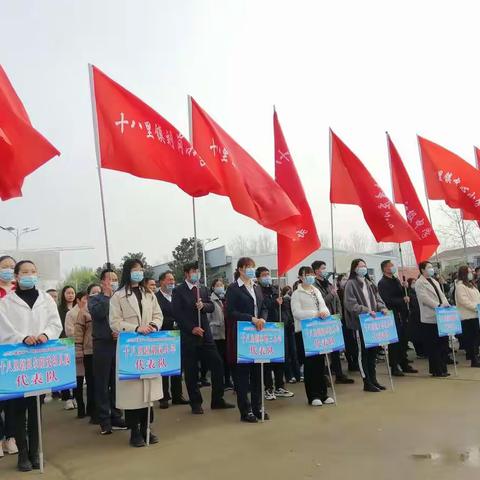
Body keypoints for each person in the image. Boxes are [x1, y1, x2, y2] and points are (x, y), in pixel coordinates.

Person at [0, 260, 62, 472]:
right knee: (18, 409)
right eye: (25, 272)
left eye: (33, 271)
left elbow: (55, 323)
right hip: (18, 360)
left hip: (41, 360)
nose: (29, 275)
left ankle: (36, 452)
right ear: (16, 276)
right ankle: (23, 454)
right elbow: (3, 329)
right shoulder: (6, 302)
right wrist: (23, 337)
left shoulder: (46, 299)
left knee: (37, 407)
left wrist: (46, 335)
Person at [109, 259, 163, 447]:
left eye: (141, 269)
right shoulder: (118, 296)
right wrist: (136, 328)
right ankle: (134, 432)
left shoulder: (149, 293)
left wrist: (154, 325)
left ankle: (147, 428)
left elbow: (158, 314)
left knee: (148, 391)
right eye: (135, 270)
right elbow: (114, 322)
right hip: (130, 347)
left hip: (148, 347)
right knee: (133, 393)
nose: (139, 273)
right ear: (127, 272)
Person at [172, 261, 234, 415]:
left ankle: (217, 400)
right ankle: (195, 402)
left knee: (218, 364)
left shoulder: (203, 289)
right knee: (192, 370)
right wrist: (191, 328)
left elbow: (211, 306)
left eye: (197, 271)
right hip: (189, 336)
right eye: (193, 271)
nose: (196, 274)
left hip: (206, 335)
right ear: (186, 273)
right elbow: (177, 314)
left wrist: (203, 306)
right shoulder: (178, 291)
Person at [225, 257, 269, 422]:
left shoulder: (256, 287)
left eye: (253, 267)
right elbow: (230, 312)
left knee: (258, 374)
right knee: (243, 376)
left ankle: (258, 407)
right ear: (240, 269)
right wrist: (251, 318)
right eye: (248, 267)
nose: (251, 270)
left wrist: (262, 318)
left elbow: (263, 306)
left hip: (258, 335)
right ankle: (246, 410)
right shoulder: (233, 288)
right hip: (242, 336)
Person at [90, 269, 127, 435]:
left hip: (118, 343)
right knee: (103, 384)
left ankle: (117, 415)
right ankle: (104, 419)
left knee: (117, 382)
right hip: (102, 345)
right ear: (102, 282)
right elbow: (98, 314)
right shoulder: (94, 300)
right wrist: (106, 296)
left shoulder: (121, 298)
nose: (113, 282)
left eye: (115, 279)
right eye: (110, 279)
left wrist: (121, 331)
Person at [291, 266, 335, 406]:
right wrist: (315, 314)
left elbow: (323, 307)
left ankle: (323, 394)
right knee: (310, 365)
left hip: (318, 331)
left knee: (320, 363)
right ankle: (313, 395)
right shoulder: (297, 294)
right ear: (300, 277)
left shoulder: (316, 290)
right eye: (306, 275)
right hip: (304, 332)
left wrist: (323, 312)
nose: (309, 277)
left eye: (310, 274)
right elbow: (297, 313)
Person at [344, 259, 389, 393]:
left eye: (365, 266)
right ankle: (366, 381)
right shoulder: (350, 284)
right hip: (360, 323)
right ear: (354, 268)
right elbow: (350, 304)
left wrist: (382, 308)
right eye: (360, 266)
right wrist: (366, 310)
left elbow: (377, 298)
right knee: (363, 353)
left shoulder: (369, 283)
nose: (363, 268)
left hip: (373, 324)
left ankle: (374, 379)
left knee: (372, 353)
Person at [312, 261, 354, 384]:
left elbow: (337, 301)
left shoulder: (329, 284)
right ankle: (324, 377)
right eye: (322, 268)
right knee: (323, 349)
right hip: (322, 321)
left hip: (333, 320)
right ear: (316, 271)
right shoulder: (314, 286)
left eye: (325, 268)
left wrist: (338, 316)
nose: (325, 270)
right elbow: (320, 303)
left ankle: (339, 374)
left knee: (335, 349)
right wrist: (331, 294)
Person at [255, 267, 294, 400]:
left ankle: (279, 386)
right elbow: (262, 306)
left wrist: (283, 302)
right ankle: (268, 388)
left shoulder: (275, 288)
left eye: (268, 274)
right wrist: (273, 302)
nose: (267, 277)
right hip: (266, 327)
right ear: (258, 278)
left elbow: (284, 305)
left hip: (278, 327)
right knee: (267, 360)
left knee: (280, 359)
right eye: (264, 275)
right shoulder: (257, 290)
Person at [377, 260, 418, 376]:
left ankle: (404, 363)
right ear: (385, 268)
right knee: (395, 341)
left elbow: (403, 294)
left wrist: (406, 288)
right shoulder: (383, 283)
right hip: (393, 314)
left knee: (404, 340)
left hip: (403, 313)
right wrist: (401, 300)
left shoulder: (396, 280)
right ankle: (394, 366)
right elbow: (387, 300)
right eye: (390, 266)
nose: (393, 267)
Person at [155, 271, 189, 409]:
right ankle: (163, 397)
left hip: (177, 336)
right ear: (161, 281)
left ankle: (177, 395)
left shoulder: (176, 295)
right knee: (164, 368)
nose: (172, 282)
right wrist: (171, 322)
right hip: (162, 336)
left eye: (173, 279)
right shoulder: (155, 298)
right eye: (169, 280)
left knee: (177, 367)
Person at [415, 261, 450, 377]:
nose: (431, 269)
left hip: (441, 316)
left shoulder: (434, 280)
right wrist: (438, 306)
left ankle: (443, 368)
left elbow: (442, 295)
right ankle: (436, 370)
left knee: (443, 344)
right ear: (422, 270)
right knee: (434, 345)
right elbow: (424, 298)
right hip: (429, 317)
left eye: (432, 267)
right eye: (429, 267)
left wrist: (445, 303)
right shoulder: (420, 283)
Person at [73, 284, 100, 420]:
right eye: (93, 292)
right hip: (89, 352)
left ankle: (102, 410)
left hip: (103, 350)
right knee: (91, 382)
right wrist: (79, 352)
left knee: (102, 383)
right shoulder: (83, 311)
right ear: (88, 295)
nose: (97, 294)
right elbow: (78, 334)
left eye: (98, 292)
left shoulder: (107, 307)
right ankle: (92, 411)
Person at [0, 255, 18, 458]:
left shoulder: (18, 292)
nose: (8, 270)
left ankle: (11, 436)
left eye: (12, 267)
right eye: (4, 267)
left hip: (15, 352)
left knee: (13, 398)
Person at [207, 278, 233, 390]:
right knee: (219, 361)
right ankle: (219, 383)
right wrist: (214, 325)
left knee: (227, 360)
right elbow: (208, 319)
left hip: (227, 333)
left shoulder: (226, 298)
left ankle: (228, 381)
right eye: (217, 285)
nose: (220, 287)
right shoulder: (210, 300)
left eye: (221, 284)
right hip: (216, 335)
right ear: (213, 287)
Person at [455, 266, 480, 367]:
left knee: (476, 338)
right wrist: (476, 307)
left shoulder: (471, 285)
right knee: (471, 339)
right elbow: (464, 301)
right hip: (468, 316)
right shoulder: (460, 286)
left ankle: (475, 356)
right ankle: (473, 359)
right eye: (469, 272)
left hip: (475, 315)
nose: (472, 273)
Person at [58, 285, 77, 410]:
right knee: (65, 371)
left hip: (76, 341)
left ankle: (76, 396)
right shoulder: (59, 309)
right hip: (63, 342)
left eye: (72, 293)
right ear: (63, 295)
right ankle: (67, 398)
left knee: (76, 371)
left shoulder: (79, 307)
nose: (70, 295)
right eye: (68, 293)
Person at [336, 273, 359, 372]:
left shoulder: (350, 291)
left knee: (354, 342)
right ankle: (350, 362)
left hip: (352, 319)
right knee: (347, 343)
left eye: (346, 279)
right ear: (339, 281)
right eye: (343, 279)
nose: (345, 281)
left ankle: (356, 361)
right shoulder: (337, 293)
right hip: (343, 321)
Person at [281, 286, 301, 383]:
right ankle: (289, 375)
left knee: (294, 352)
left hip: (291, 327)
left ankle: (298, 374)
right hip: (284, 327)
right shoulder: (284, 300)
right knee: (287, 353)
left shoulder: (292, 300)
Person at [406, 278, 425, 358]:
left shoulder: (418, 292)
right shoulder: (408, 293)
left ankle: (423, 351)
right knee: (416, 336)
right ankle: (419, 352)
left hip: (421, 315)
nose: (415, 283)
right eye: (413, 282)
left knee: (422, 335)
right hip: (414, 316)